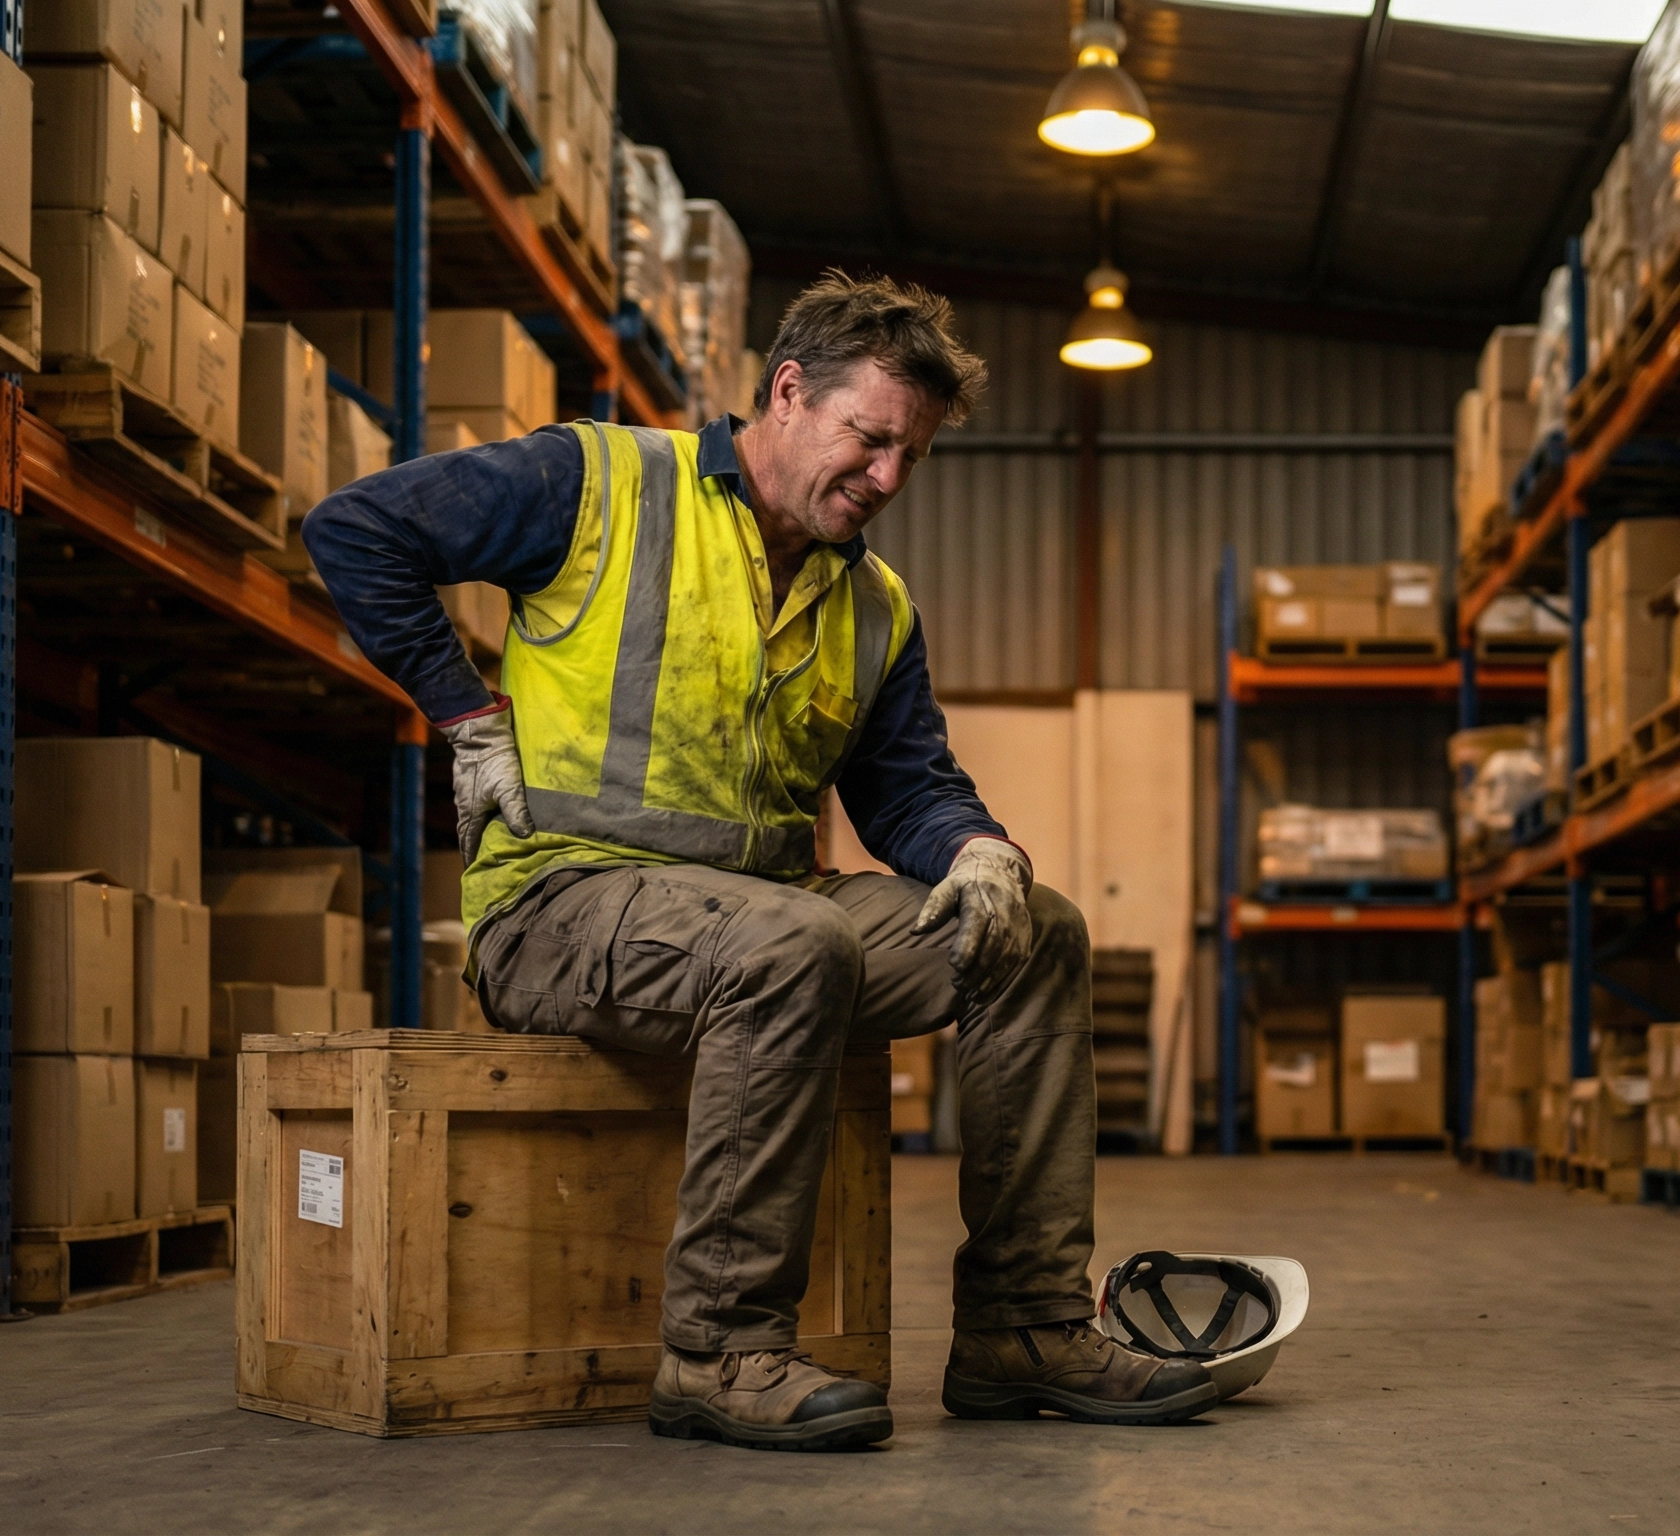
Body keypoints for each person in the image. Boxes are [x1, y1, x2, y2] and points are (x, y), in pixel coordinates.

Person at [301, 273, 1216, 1450]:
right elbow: (356, 528)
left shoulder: (873, 604)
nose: (887, 480)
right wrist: (462, 714)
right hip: (558, 903)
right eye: (870, 439)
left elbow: (907, 788)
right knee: (796, 943)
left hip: (764, 913)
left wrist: (980, 848)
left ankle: (1020, 1328)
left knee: (1033, 934)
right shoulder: (602, 483)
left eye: (911, 460)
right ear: (789, 392)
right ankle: (717, 1351)